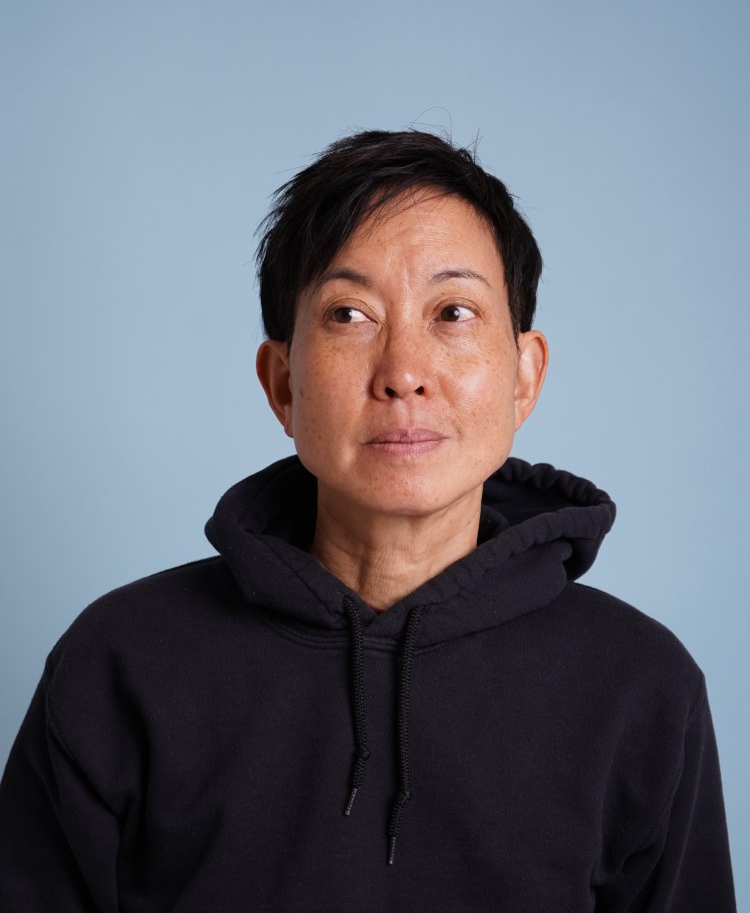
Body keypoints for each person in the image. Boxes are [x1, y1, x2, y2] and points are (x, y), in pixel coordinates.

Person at [0, 130, 735, 911]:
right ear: (282, 383)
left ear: (525, 376)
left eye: (453, 312)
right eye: (349, 313)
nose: (403, 373)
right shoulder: (121, 664)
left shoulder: (641, 687)